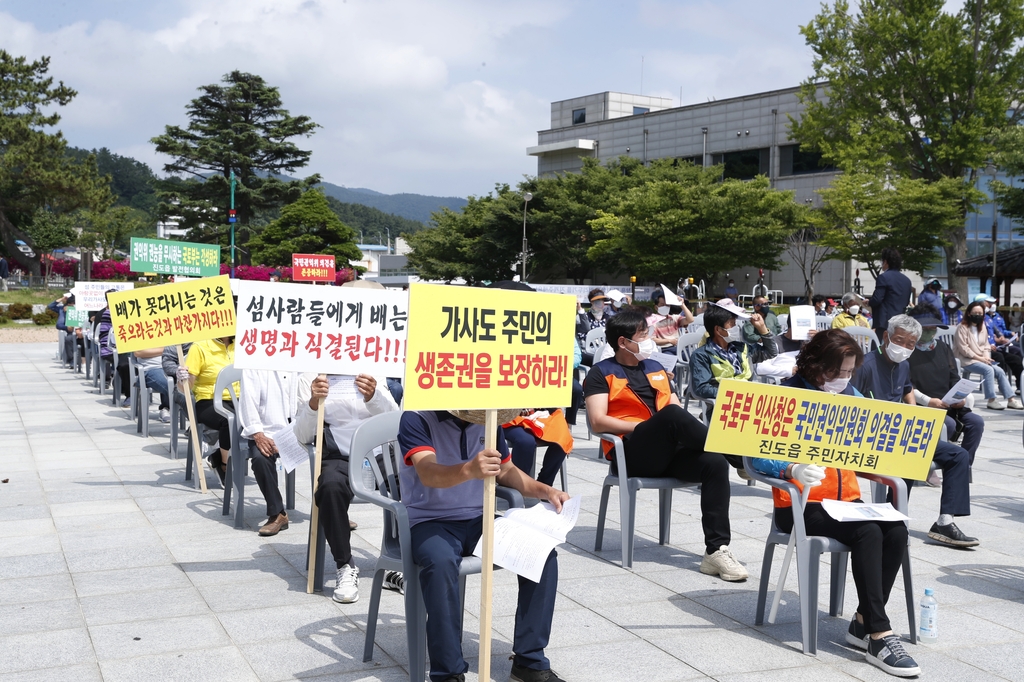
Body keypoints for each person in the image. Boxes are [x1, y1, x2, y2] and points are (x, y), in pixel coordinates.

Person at [752, 330, 921, 678]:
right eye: (836, 373)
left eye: (848, 372)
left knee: (895, 531)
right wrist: (791, 467)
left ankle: (862, 621)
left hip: (847, 501)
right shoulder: (786, 397)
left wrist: (904, 459)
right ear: (815, 365)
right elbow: (754, 457)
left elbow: (869, 446)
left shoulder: (851, 395)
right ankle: (879, 634)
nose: (843, 380)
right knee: (868, 533)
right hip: (802, 504)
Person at [398, 408, 569, 682]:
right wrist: (469, 469)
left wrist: (545, 490)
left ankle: (529, 660)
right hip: (430, 520)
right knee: (440, 563)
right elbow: (427, 472)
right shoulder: (417, 417)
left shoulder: (488, 417)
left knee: (542, 552)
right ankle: (448, 672)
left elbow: (507, 470)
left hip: (480, 517)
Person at [584, 307, 749, 581]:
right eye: (643, 334)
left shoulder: (655, 367)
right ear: (623, 342)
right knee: (671, 417)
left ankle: (716, 550)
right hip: (632, 453)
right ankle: (740, 456)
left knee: (714, 463)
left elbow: (675, 409)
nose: (649, 339)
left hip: (669, 452)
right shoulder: (601, 372)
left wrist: (666, 427)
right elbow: (598, 421)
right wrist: (648, 427)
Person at [852, 314, 980, 547]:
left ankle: (944, 520)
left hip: (903, 432)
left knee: (958, 455)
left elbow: (907, 388)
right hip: (874, 437)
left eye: (910, 344)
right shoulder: (865, 365)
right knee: (910, 455)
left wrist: (913, 413)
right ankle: (893, 519)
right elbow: (850, 402)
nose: (903, 347)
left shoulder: (904, 364)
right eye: (899, 340)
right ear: (886, 336)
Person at [294, 373, 399, 603]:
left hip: (378, 453)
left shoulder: (372, 368)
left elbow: (396, 420)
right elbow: (301, 435)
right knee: (330, 488)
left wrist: (374, 396)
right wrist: (313, 403)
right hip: (338, 455)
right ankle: (345, 565)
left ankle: (398, 563)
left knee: (413, 481)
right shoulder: (310, 377)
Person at [906, 305, 984, 474]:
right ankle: (928, 465)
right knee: (946, 424)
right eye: (924, 329)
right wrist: (928, 401)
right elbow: (907, 386)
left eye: (932, 328)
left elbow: (954, 377)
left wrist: (960, 397)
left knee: (976, 422)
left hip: (947, 403)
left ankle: (963, 466)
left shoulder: (942, 347)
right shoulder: (907, 351)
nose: (929, 332)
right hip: (924, 405)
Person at [237, 369, 301, 536]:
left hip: (302, 429)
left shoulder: (304, 358)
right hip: (267, 431)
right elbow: (248, 402)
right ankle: (277, 513)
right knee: (260, 458)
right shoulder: (255, 363)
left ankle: (335, 512)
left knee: (330, 454)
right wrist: (258, 434)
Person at [690, 299, 778, 401]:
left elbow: (771, 352)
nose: (736, 327)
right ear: (718, 330)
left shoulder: (742, 348)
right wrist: (734, 394)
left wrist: (762, 328)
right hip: (724, 406)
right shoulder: (702, 355)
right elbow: (701, 388)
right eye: (732, 324)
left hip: (749, 403)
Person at [178, 336, 238, 483]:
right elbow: (184, 388)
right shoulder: (199, 346)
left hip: (239, 399)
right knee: (229, 420)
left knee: (255, 420)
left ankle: (217, 456)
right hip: (208, 401)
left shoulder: (243, 343)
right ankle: (224, 465)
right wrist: (182, 377)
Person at [954, 301, 1022, 410]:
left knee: (999, 370)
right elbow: (964, 349)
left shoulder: (982, 327)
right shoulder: (962, 327)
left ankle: (1011, 399)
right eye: (975, 313)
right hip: (965, 359)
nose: (978, 315)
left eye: (980, 313)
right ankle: (991, 400)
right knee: (989, 370)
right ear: (969, 313)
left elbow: (986, 346)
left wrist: (986, 357)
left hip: (980, 359)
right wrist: (981, 358)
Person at [503, 408, 573, 487]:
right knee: (526, 441)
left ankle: (544, 484)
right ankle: (518, 484)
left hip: (541, 414)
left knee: (563, 438)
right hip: (510, 416)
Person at [866, 247, 912, 342]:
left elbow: (877, 299)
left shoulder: (883, 277)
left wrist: (869, 302)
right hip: (900, 323)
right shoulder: (907, 281)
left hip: (884, 323)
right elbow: (906, 301)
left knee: (881, 351)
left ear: (886, 262)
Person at [576, 289, 614, 365]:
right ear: (591, 302)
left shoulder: (608, 318)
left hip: (606, 350)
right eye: (597, 300)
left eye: (602, 300)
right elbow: (584, 331)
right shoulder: (582, 317)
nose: (601, 303)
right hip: (587, 351)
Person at [134, 346, 171, 423]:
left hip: (173, 364)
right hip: (152, 368)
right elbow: (138, 352)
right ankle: (168, 408)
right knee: (171, 386)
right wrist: (168, 349)